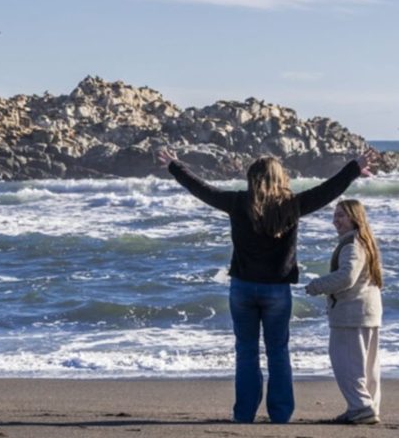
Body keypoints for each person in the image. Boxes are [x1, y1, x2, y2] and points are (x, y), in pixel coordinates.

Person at [156, 148, 375, 424]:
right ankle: (280, 415)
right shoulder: (291, 205)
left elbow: (203, 190)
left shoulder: (237, 202)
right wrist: (353, 168)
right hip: (277, 292)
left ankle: (244, 413)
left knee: (246, 351)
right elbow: (326, 191)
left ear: (251, 178)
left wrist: (176, 167)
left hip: (242, 289)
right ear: (280, 177)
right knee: (278, 352)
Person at [305, 199, 383, 425]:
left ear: (354, 218)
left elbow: (347, 276)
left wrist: (318, 285)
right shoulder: (365, 243)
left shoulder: (351, 245)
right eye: (335, 215)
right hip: (369, 312)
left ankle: (361, 407)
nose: (335, 220)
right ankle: (367, 407)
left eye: (341, 216)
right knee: (367, 367)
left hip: (351, 314)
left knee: (346, 365)